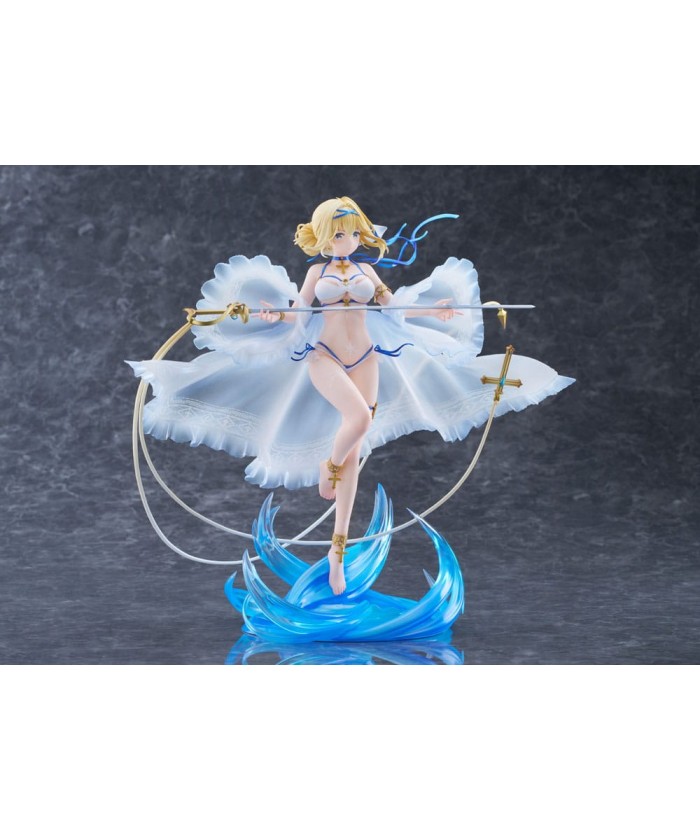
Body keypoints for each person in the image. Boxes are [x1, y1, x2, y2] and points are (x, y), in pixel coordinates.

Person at [126, 196, 575, 596]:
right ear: (324, 237)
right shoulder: (316, 272)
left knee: (358, 444)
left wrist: (432, 310)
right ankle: (329, 465)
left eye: (353, 233)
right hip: (324, 355)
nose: (347, 240)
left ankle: (337, 552)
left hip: (366, 357)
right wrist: (271, 315)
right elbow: (297, 314)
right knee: (358, 421)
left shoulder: (366, 271)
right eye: (338, 234)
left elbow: (393, 307)